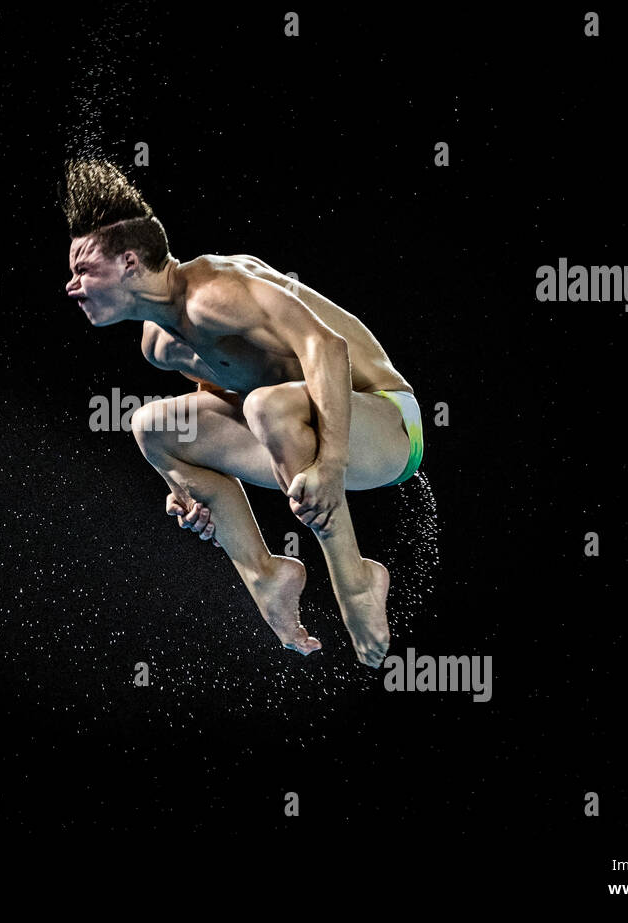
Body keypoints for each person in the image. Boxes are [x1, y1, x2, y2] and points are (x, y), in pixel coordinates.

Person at [60, 160, 423, 666]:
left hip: (386, 425)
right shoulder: (158, 345)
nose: (72, 287)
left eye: (83, 269)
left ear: (128, 263)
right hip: (298, 425)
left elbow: (328, 347)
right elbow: (229, 392)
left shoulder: (215, 290)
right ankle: (265, 576)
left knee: (267, 405)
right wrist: (188, 492)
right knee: (153, 426)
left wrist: (332, 465)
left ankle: (355, 578)